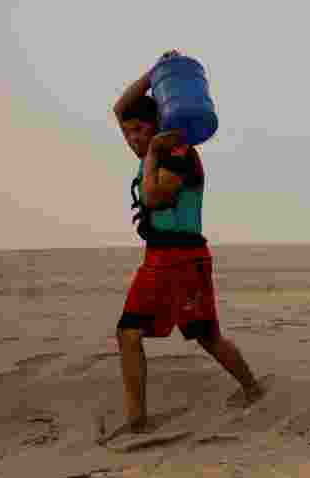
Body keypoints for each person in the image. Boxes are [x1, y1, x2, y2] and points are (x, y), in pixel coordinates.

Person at [106, 52, 265, 441]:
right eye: (128, 133)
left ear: (158, 124)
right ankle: (137, 421)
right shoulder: (157, 150)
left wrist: (153, 153)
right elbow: (119, 107)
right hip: (160, 258)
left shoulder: (177, 152)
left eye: (140, 131)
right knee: (128, 333)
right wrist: (155, 72)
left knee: (206, 335)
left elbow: (158, 198)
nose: (132, 140)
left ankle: (254, 391)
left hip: (183, 257)